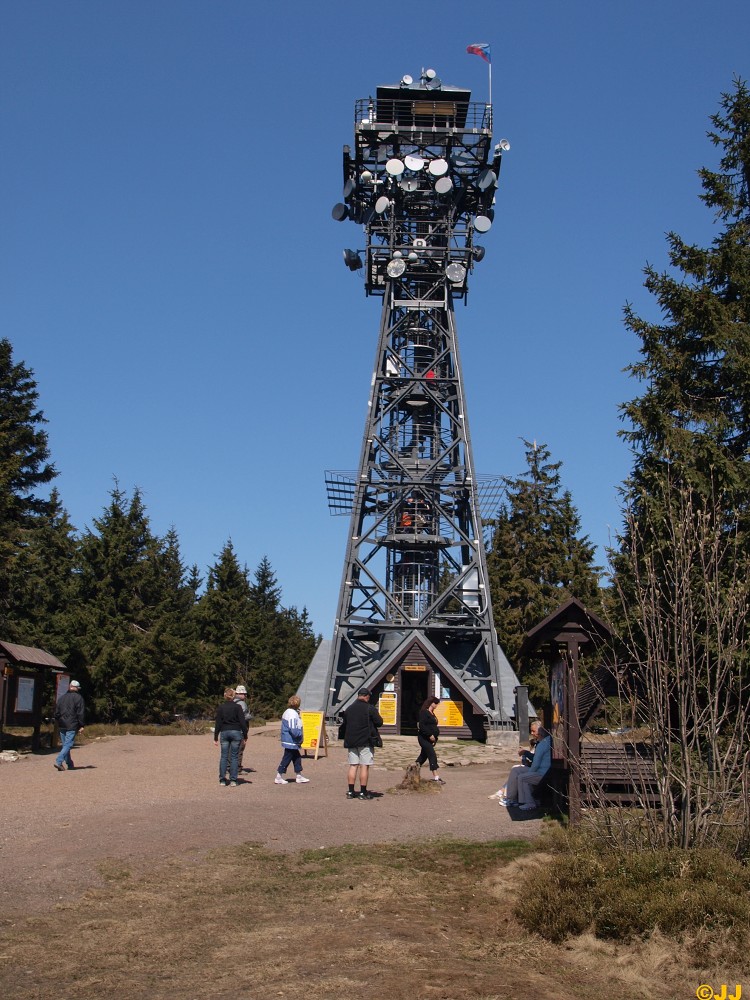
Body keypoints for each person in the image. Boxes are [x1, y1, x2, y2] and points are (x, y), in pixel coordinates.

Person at [495, 722, 552, 809]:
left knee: (522, 777)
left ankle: (525, 802)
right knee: (515, 769)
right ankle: (511, 798)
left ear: (540, 732)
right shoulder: (543, 741)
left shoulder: (542, 744)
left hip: (541, 772)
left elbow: (536, 763)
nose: (531, 733)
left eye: (533, 731)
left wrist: (529, 773)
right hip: (540, 769)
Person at [340, 687, 383, 800]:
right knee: (364, 766)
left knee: (353, 766)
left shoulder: (349, 709)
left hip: (351, 741)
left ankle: (350, 791)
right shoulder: (369, 708)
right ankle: (363, 792)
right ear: (367, 696)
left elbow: (345, 725)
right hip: (365, 741)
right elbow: (379, 722)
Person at [213, 687, 249, 787]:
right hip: (236, 732)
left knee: (224, 756)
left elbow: (218, 723)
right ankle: (233, 779)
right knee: (234, 757)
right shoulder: (238, 707)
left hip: (224, 732)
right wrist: (245, 736)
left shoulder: (221, 707)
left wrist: (216, 737)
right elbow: (242, 722)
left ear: (225, 696)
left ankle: (222, 779)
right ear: (234, 696)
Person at [275, 695, 310, 784]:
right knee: (287, 757)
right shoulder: (292, 714)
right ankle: (279, 775)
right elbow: (293, 728)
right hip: (291, 740)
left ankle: (299, 775)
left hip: (290, 739)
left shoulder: (288, 712)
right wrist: (299, 735)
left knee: (297, 757)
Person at [53, 680, 85, 771]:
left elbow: (56, 713)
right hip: (72, 724)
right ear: (77, 688)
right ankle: (58, 761)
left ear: (70, 687)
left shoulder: (62, 698)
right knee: (68, 744)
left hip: (62, 724)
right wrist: (81, 725)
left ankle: (70, 764)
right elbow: (80, 713)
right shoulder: (79, 698)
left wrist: (59, 720)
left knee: (65, 745)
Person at [415, 696, 444, 783]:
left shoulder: (432, 713)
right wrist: (430, 734)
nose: (437, 705)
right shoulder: (424, 712)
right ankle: (436, 777)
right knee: (432, 755)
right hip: (424, 738)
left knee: (423, 757)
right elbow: (422, 726)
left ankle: (412, 771)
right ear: (431, 703)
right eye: (436, 703)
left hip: (431, 739)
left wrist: (435, 738)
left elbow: (433, 726)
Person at [233, 684, 252, 774]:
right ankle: (238, 769)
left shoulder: (232, 702)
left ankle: (230, 767)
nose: (245, 696)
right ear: (240, 694)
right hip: (240, 730)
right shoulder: (242, 703)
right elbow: (243, 717)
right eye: (244, 694)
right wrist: (250, 716)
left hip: (232, 729)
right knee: (239, 749)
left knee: (231, 750)